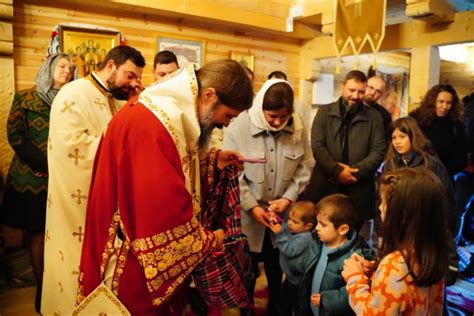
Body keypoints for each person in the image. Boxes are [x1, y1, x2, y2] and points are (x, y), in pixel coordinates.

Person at [78, 59, 253, 315]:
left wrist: (212, 161)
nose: (226, 124)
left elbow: (175, 166)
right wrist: (207, 240)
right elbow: (159, 207)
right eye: (227, 116)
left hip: (135, 249)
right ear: (209, 95)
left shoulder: (169, 113)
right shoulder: (150, 124)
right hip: (130, 260)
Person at [41, 45, 145, 315]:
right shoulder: (73, 94)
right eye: (130, 76)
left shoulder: (118, 98)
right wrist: (122, 144)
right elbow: (70, 148)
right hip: (78, 205)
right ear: (111, 66)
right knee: (73, 268)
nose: (135, 83)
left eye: (137, 78)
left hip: (109, 205)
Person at [222, 79, 314, 315]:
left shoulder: (298, 127)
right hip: (248, 216)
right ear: (260, 106)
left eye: (283, 117)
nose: (277, 122)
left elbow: (306, 166)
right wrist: (252, 206)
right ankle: (247, 310)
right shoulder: (238, 125)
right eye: (272, 116)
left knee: (279, 267)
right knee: (247, 270)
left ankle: (276, 308)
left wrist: (289, 197)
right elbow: (233, 174)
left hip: (282, 215)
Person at [0, 54, 73, 312]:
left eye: (70, 68)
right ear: (49, 68)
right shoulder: (25, 97)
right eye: (62, 66)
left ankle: (59, 286)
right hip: (32, 181)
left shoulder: (70, 101)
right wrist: (43, 165)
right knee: (39, 235)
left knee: (60, 236)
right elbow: (15, 135)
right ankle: (42, 290)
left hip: (62, 179)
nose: (67, 71)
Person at [342, 167, 449, 315]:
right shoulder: (430, 253)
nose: (380, 208)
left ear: (403, 214)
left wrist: (355, 278)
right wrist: (374, 269)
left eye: (384, 203)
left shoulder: (394, 266)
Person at [306, 70, 386, 235]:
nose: (356, 96)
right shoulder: (324, 112)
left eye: (361, 91)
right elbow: (317, 146)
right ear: (343, 87)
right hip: (325, 185)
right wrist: (337, 171)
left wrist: (354, 172)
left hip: (358, 189)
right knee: (321, 235)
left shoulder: (375, 117)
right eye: (352, 90)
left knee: (351, 238)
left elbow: (378, 151)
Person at [383, 117, 459, 286]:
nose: (397, 142)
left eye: (402, 137)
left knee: (429, 280)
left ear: (413, 136)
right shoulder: (391, 164)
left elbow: (446, 198)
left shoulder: (430, 163)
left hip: (428, 227)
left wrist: (447, 228)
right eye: (394, 138)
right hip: (402, 229)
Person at [292, 194, 372, 316]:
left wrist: (327, 300)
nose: (317, 228)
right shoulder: (318, 242)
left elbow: (354, 291)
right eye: (317, 222)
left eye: (323, 224)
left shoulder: (355, 257)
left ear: (343, 229)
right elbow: (306, 264)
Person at [410, 84, 467, 182]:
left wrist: (441, 170)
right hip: (417, 177)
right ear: (432, 101)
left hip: (443, 180)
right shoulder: (416, 119)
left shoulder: (456, 125)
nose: (444, 106)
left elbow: (461, 159)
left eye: (449, 103)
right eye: (441, 102)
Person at [269, 200, 317, 315]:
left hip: (297, 282)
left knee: (292, 305)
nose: (290, 223)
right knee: (283, 302)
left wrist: (279, 234)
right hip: (291, 278)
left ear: (307, 226)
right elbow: (286, 228)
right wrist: (278, 220)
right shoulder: (296, 230)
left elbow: (289, 250)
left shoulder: (305, 239)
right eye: (289, 219)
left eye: (294, 221)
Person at [363, 76, 392, 141]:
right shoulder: (353, 105)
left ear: (381, 95)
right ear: (364, 86)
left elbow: (384, 140)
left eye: (378, 91)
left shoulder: (384, 115)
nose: (373, 93)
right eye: (371, 88)